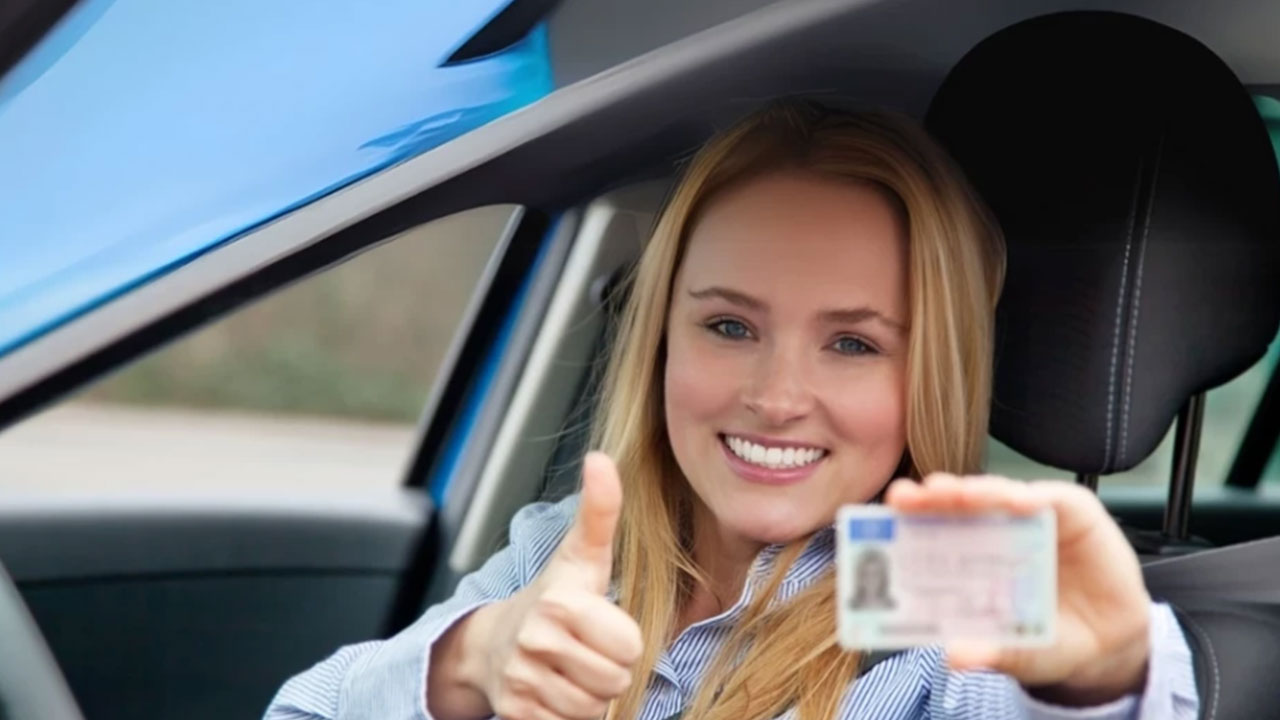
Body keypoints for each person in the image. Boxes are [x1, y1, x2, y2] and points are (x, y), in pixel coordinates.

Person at [264, 100, 1197, 720]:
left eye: (854, 343)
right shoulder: (569, 553)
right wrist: (469, 666)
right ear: (661, 337)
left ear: (933, 379)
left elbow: (1027, 682)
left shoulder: (933, 584)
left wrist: (1103, 678)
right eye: (728, 325)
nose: (777, 398)